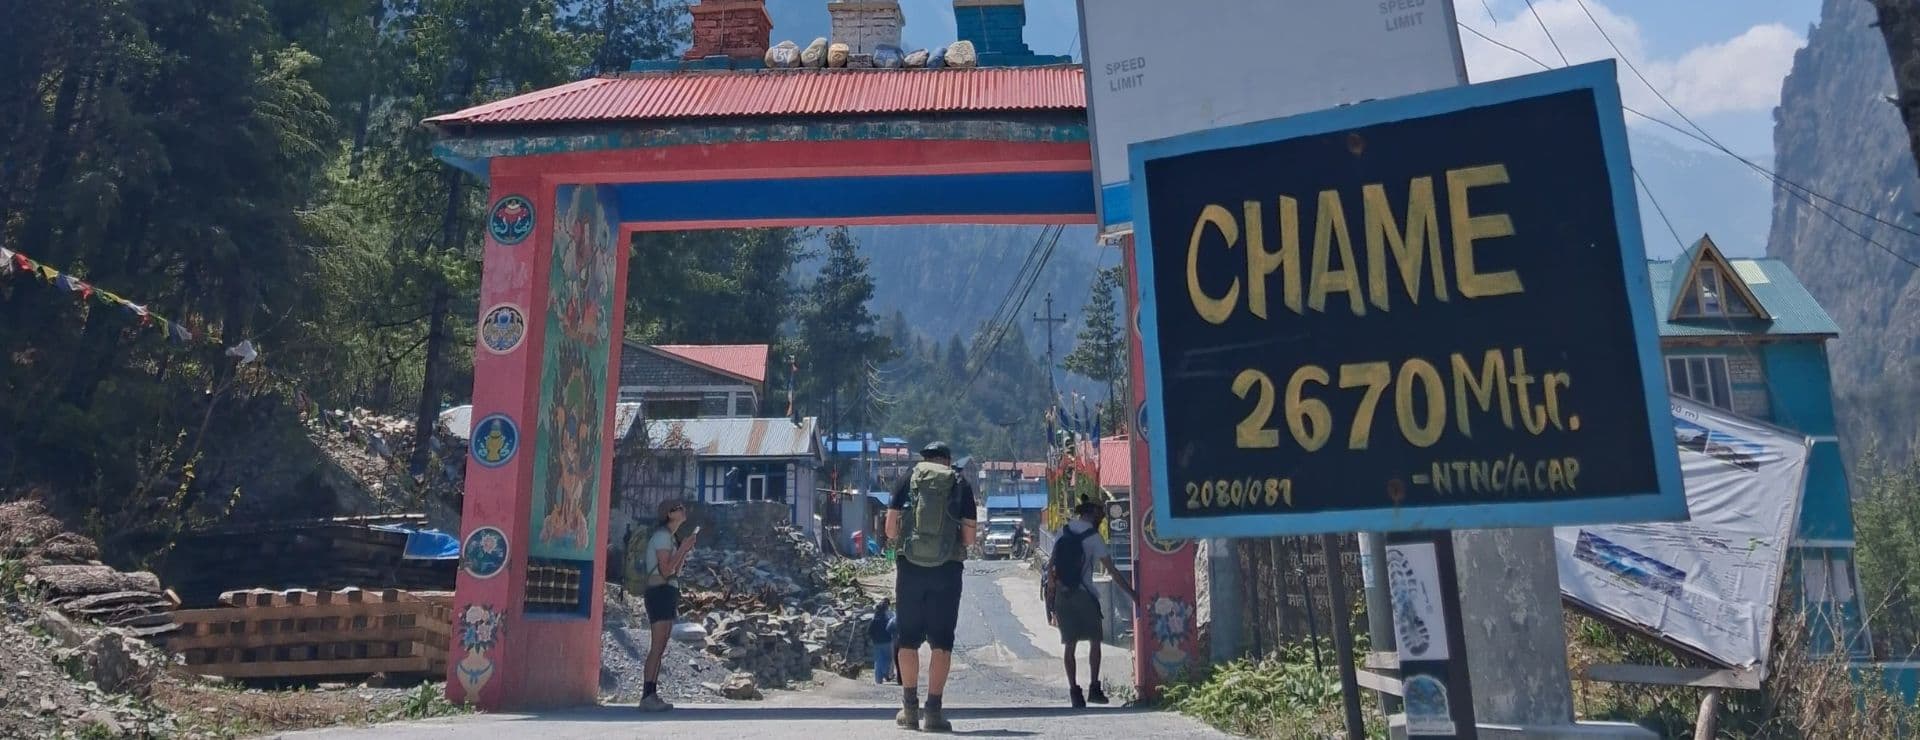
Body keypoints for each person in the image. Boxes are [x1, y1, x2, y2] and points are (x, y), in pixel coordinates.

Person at [887, 441, 978, 732]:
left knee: (908, 638)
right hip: (947, 572)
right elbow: (969, 540)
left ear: (923, 460)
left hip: (910, 569)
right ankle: (934, 713)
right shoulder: (960, 483)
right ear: (947, 460)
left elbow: (890, 531)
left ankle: (909, 710)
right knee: (942, 642)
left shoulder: (907, 478)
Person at [1045, 496, 1136, 708]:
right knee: (1095, 641)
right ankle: (1094, 688)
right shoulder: (1094, 537)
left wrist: (1051, 600)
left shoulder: (1064, 530)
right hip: (1085, 595)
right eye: (1101, 514)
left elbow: (1050, 566)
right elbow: (1112, 571)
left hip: (1063, 594)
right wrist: (1133, 594)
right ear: (1094, 514)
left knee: (1070, 645)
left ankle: (1074, 692)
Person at [639, 500, 697, 712]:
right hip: (659, 592)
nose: (683, 510)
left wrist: (683, 549)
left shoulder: (671, 538)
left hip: (667, 591)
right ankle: (647, 694)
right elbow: (665, 570)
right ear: (669, 514)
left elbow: (675, 570)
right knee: (657, 645)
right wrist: (682, 548)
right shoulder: (663, 536)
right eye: (678, 508)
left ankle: (651, 693)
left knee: (661, 644)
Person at [869, 598, 897, 685]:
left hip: (877, 642)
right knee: (887, 659)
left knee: (878, 660)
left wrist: (873, 638)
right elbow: (890, 629)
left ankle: (878, 680)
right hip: (887, 642)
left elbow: (869, 631)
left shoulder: (874, 620)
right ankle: (886, 673)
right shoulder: (887, 619)